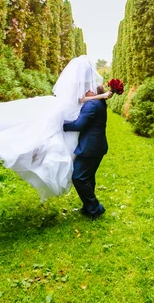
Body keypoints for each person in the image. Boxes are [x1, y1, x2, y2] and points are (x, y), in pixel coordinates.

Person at [0, 56, 110, 202]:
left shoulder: (91, 101)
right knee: (38, 131)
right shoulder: (91, 98)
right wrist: (101, 96)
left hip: (89, 144)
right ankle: (91, 206)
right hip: (88, 141)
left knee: (81, 176)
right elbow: (83, 101)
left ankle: (93, 207)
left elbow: (79, 122)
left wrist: (61, 124)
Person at [63, 85, 112, 220]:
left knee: (78, 177)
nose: (85, 91)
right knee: (88, 177)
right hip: (97, 146)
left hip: (90, 148)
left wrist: (60, 125)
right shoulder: (99, 102)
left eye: (88, 89)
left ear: (95, 92)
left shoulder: (91, 104)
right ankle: (88, 207)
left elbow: (78, 124)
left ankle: (96, 208)